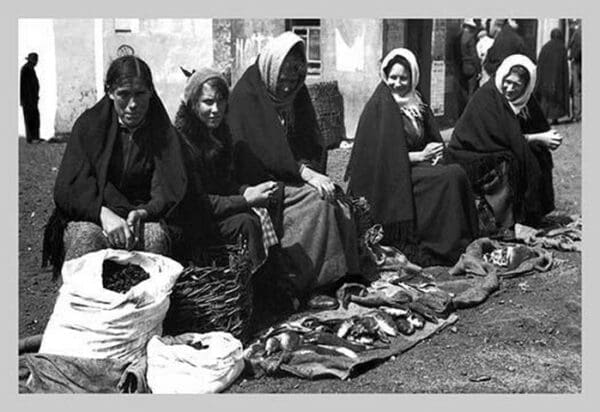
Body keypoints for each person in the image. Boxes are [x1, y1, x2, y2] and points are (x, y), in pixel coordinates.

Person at [227, 31, 359, 295]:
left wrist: (307, 169)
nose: (287, 87)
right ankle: (310, 280)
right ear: (271, 70)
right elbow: (257, 154)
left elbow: (308, 141)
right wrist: (303, 173)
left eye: (294, 80)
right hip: (257, 181)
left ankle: (346, 273)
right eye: (283, 79)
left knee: (337, 200)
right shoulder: (247, 95)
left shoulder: (294, 95)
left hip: (289, 175)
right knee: (318, 204)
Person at [42, 55, 187, 277]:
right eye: (123, 94)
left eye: (140, 94)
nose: (133, 105)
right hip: (94, 214)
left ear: (151, 92)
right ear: (110, 92)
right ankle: (80, 308)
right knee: (86, 239)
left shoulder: (163, 134)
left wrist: (143, 212)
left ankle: (147, 309)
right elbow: (70, 187)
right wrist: (103, 214)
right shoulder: (89, 127)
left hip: (141, 217)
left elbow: (167, 189)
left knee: (155, 241)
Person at [345, 48, 478, 267]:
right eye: (393, 77)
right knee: (448, 179)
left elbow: (430, 137)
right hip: (390, 176)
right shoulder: (381, 105)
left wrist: (435, 153)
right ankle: (444, 244)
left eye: (403, 78)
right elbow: (381, 158)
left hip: (415, 166)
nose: (397, 83)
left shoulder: (416, 101)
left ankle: (462, 239)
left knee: (456, 172)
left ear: (413, 78)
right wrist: (421, 156)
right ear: (385, 77)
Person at [172, 67, 278, 273]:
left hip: (215, 212)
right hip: (193, 222)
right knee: (246, 223)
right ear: (193, 104)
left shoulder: (219, 134)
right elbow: (195, 203)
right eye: (208, 102)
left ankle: (275, 281)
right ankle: (258, 290)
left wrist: (246, 191)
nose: (216, 109)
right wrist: (245, 200)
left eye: (221, 101)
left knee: (263, 210)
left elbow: (224, 183)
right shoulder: (182, 143)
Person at [447, 54, 563, 230]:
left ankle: (533, 214)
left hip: (499, 146)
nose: (509, 88)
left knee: (540, 155)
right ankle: (506, 221)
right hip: (470, 153)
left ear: (526, 87)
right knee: (512, 161)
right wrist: (539, 138)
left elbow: (531, 128)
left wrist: (546, 137)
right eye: (507, 81)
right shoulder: (488, 96)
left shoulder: (525, 100)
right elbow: (502, 137)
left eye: (516, 85)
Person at [535, 28, 570, 125]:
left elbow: (540, 64)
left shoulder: (545, 47)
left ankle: (544, 118)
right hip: (558, 79)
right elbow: (564, 67)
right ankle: (554, 118)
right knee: (556, 101)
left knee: (545, 100)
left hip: (545, 79)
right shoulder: (561, 48)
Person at [457, 19, 482, 115]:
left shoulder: (458, 37)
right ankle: (469, 114)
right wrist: (478, 69)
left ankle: (461, 113)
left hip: (460, 67)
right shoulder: (470, 38)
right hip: (470, 68)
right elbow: (473, 55)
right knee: (471, 92)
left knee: (462, 92)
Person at [20, 52, 40, 143]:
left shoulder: (30, 69)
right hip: (28, 100)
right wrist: (25, 100)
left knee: (34, 118)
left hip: (32, 99)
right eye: (35, 60)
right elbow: (24, 87)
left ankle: (34, 137)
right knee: (30, 118)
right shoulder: (26, 70)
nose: (36, 62)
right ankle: (31, 138)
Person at [568, 20, 582, 122]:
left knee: (576, 90)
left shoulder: (577, 33)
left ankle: (577, 114)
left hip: (577, 63)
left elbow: (572, 46)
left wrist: (572, 57)